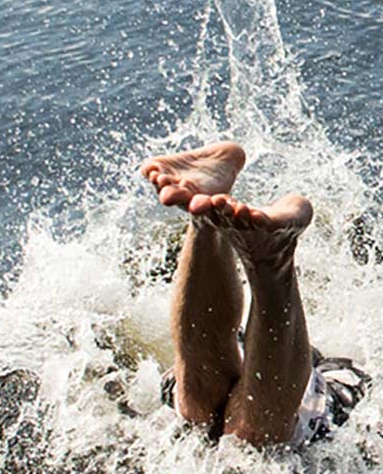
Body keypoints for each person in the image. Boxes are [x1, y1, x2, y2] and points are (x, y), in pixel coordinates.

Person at [139, 141, 356, 449]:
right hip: (309, 372)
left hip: (292, 364)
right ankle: (266, 259)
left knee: (206, 413)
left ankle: (206, 222)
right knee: (233, 424)